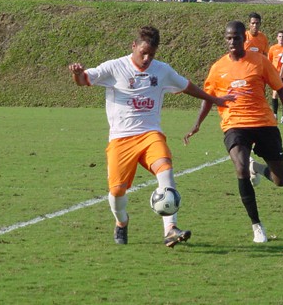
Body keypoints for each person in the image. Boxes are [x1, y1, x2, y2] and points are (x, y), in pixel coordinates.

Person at [68, 26, 234, 247]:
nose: (146, 59)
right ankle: (122, 222)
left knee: (165, 170)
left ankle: (171, 229)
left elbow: (187, 86)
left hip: (150, 135)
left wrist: (215, 100)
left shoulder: (162, 70)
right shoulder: (115, 67)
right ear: (133, 46)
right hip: (121, 138)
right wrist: (77, 73)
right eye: (143, 53)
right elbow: (84, 80)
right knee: (117, 192)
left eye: (151, 55)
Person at [183, 21, 283, 244]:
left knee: (281, 180)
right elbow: (208, 98)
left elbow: (280, 89)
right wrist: (197, 123)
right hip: (234, 124)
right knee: (239, 167)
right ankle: (257, 226)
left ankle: (256, 167)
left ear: (244, 39)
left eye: (236, 38)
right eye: (228, 38)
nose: (232, 42)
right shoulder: (218, 67)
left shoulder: (260, 61)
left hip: (264, 123)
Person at [268, 30, 283, 124]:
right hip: (276, 75)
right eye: (280, 36)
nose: (281, 38)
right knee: (275, 94)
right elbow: (269, 61)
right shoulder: (273, 48)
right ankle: (275, 114)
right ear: (277, 37)